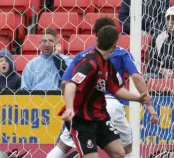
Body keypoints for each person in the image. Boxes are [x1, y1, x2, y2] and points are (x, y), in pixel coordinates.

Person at [47, 18, 158, 158]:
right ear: (114, 43)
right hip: (83, 118)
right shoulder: (90, 62)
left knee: (119, 153)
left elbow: (116, 89)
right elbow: (70, 84)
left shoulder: (106, 64)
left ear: (97, 38)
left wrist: (138, 98)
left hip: (101, 115)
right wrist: (69, 108)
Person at [146, 6, 174, 78]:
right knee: (146, 77)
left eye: (173, 18)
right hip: (162, 75)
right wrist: (162, 70)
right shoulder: (158, 37)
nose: (171, 21)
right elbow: (150, 65)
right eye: (168, 18)